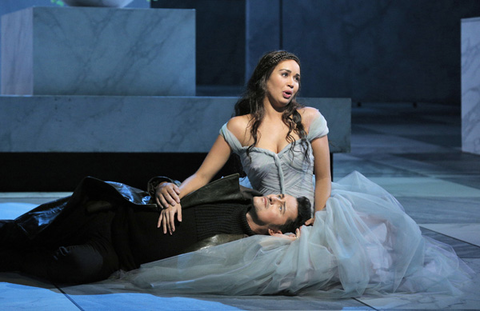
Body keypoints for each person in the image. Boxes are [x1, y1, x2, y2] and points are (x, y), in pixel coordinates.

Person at [0, 174, 311, 284]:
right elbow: (167, 182)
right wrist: (163, 185)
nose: (273, 197)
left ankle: (10, 259)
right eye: (280, 196)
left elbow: (279, 279)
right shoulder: (228, 191)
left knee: (74, 265)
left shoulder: (243, 250)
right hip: (111, 212)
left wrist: (283, 244)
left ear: (275, 232)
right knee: (24, 229)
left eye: (280, 207)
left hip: (116, 254)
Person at [155, 50, 331, 234]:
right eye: (285, 74)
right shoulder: (237, 127)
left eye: (296, 78)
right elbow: (202, 177)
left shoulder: (309, 118)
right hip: (267, 227)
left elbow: (324, 177)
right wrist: (174, 199)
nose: (292, 84)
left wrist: (319, 220)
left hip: (312, 219)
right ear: (264, 78)